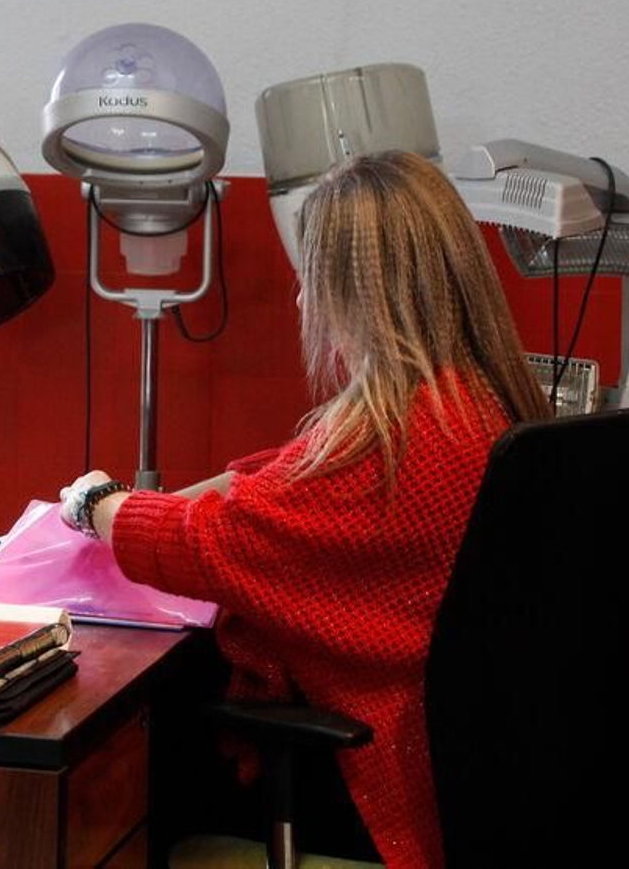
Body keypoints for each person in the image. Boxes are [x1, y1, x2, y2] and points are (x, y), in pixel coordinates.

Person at [59, 150, 551, 868]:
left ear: (358, 295)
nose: (302, 303)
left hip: (372, 791)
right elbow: (283, 479)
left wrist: (95, 502)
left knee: (135, 760)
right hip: (486, 784)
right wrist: (181, 495)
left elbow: (208, 542)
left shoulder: (401, 443)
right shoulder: (476, 405)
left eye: (312, 282)